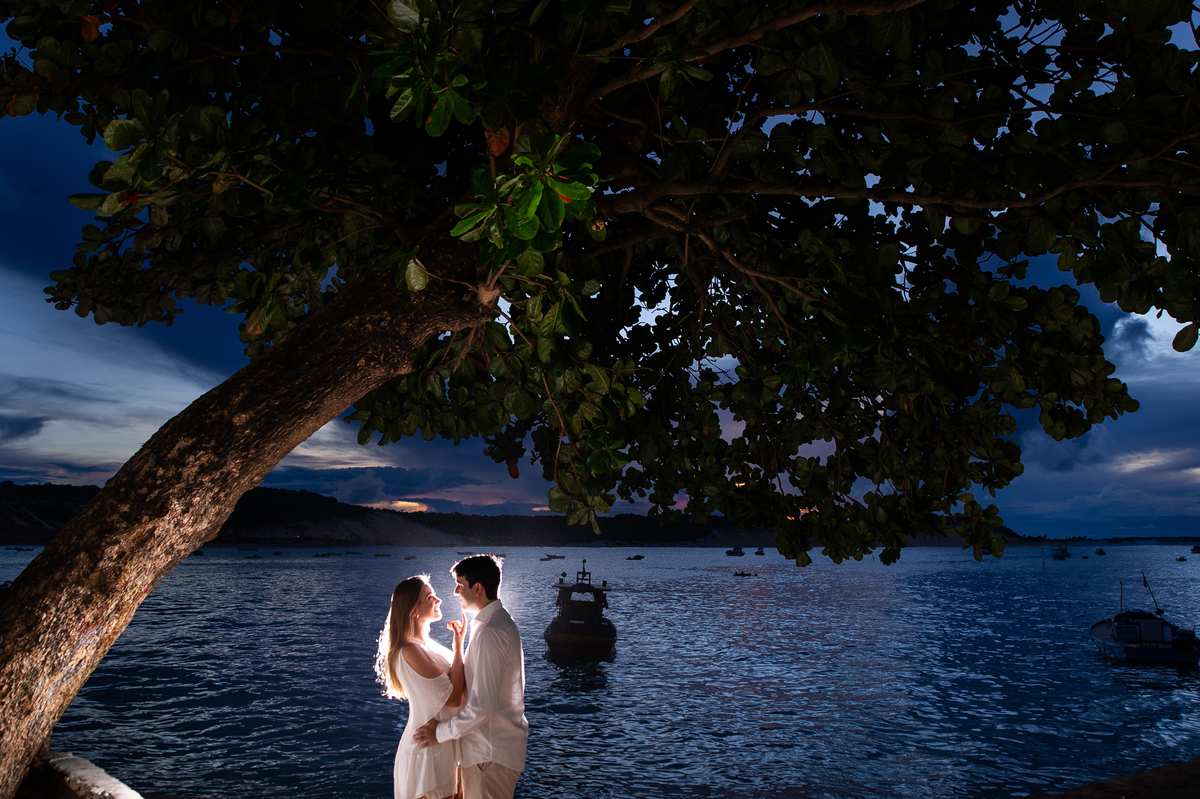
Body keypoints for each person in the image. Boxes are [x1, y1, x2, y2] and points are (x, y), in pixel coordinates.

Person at [413, 555, 527, 799]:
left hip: (488, 755)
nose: (455, 591)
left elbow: (482, 706)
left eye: (460, 585)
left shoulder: (491, 632)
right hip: (489, 754)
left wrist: (439, 733)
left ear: (478, 589)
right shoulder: (493, 625)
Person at [377, 575, 467, 799]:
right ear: (414, 610)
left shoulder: (426, 646)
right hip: (425, 750)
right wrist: (458, 647)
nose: (438, 600)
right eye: (429, 597)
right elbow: (453, 698)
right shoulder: (410, 651)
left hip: (443, 742)